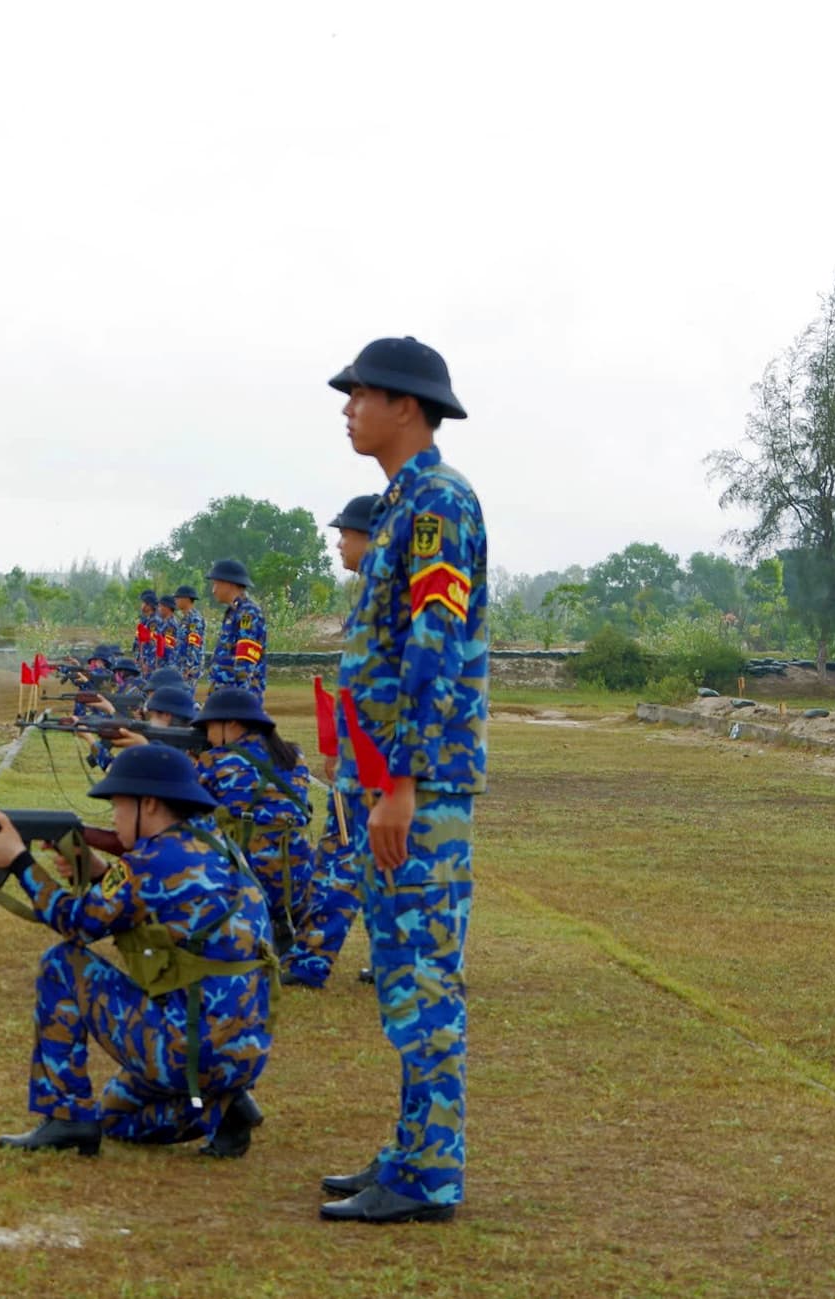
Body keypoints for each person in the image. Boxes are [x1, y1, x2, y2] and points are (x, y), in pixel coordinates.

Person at [317, 336, 487, 1225]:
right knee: (397, 975)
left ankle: (431, 1174)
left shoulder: (437, 505)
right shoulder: (398, 506)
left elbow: (435, 647)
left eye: (362, 393)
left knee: (424, 980)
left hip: (414, 790)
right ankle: (414, 1150)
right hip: (385, 780)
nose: (348, 406)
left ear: (408, 407)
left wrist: (402, 782)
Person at [0, 745, 274, 1158]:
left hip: (190, 1045)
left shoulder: (148, 863)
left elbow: (76, 923)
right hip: (244, 1049)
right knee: (116, 1116)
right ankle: (223, 1109)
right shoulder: (218, 847)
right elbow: (156, 898)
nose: (113, 819)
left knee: (63, 963)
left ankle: (66, 1116)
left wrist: (19, 862)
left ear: (148, 804)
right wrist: (103, 872)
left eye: (117, 806)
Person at [285, 493, 382, 991]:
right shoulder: (373, 595)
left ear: (373, 537)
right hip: (368, 757)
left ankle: (311, 961)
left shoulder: (387, 597)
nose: (340, 542)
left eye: (346, 533)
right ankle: (396, 964)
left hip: (373, 763)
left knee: (340, 856)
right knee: (382, 861)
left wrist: (350, 756)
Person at [189, 688, 315, 980]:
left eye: (210, 726)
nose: (207, 736)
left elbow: (177, 805)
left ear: (231, 723)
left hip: (248, 888)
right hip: (297, 884)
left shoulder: (216, 762)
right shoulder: (296, 757)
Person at [204, 559, 267, 699]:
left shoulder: (248, 613)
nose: (213, 590)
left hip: (237, 696)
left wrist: (241, 699)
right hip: (224, 692)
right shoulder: (233, 612)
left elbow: (246, 663)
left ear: (229, 584)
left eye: (216, 584)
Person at [173, 585, 207, 686]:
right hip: (181, 666)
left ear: (186, 599)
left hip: (188, 670)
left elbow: (194, 645)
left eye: (178, 598)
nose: (176, 600)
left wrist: (189, 667)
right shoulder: (184, 619)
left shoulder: (194, 619)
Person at [135, 590, 160, 674]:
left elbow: (154, 645)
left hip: (149, 663)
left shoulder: (154, 622)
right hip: (143, 660)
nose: (141, 605)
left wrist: (148, 664)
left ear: (149, 605)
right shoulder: (147, 620)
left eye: (143, 603)